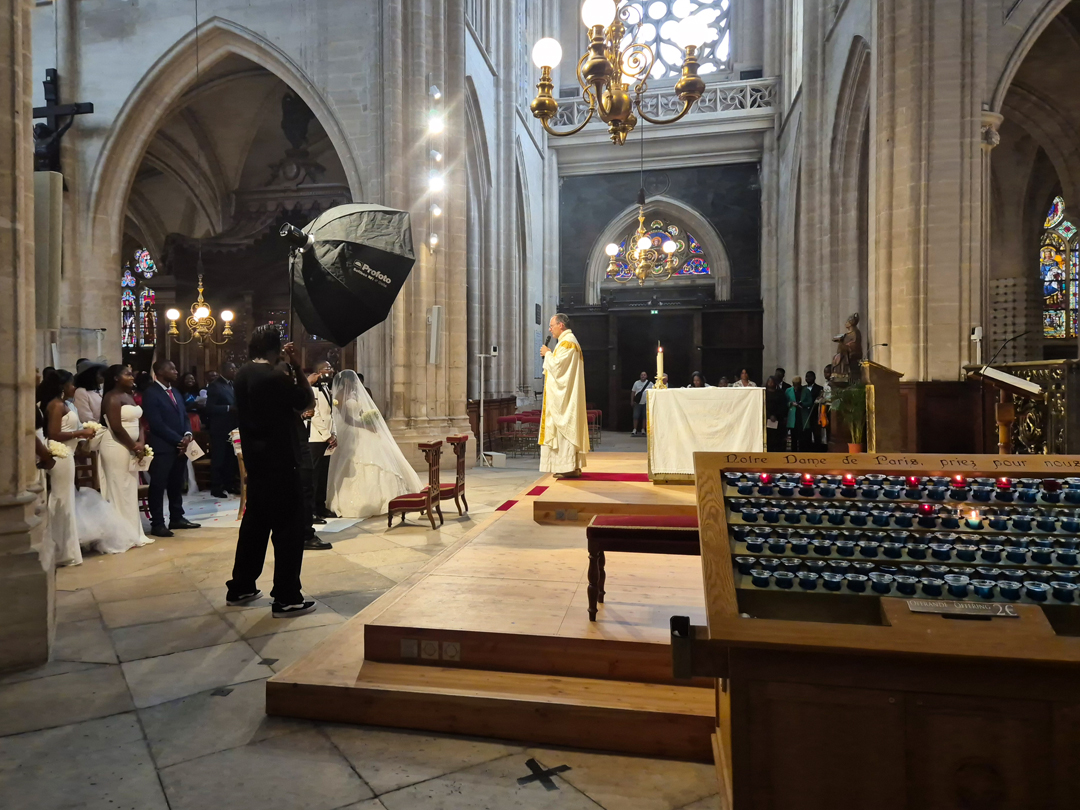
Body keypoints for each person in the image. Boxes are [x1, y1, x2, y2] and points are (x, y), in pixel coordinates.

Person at [227, 326, 317, 617]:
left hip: (257, 463)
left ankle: (241, 586)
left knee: (254, 527)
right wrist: (296, 367)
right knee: (289, 529)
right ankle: (287, 596)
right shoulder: (273, 376)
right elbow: (306, 401)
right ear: (275, 348)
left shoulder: (243, 373)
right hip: (281, 462)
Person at [326, 370, 423, 518]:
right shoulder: (339, 395)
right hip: (350, 431)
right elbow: (345, 418)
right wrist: (363, 426)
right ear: (346, 381)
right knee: (354, 460)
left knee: (379, 455)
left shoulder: (355, 394)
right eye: (352, 381)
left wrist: (368, 420)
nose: (355, 383)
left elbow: (360, 411)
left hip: (360, 426)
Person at [41, 370, 96, 566]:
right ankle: (61, 550)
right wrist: (79, 433)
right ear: (63, 386)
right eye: (72, 384)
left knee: (67, 500)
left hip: (68, 454)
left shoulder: (63, 403)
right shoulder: (56, 405)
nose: (74, 388)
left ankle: (67, 549)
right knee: (61, 499)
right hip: (61, 455)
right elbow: (54, 434)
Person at [141, 360, 200, 537]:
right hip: (163, 445)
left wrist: (187, 434)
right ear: (159, 371)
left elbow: (184, 416)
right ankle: (158, 523)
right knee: (159, 485)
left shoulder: (175, 391)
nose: (176, 371)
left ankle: (177, 517)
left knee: (176, 483)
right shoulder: (151, 393)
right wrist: (179, 440)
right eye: (171, 369)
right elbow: (156, 423)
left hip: (181, 445)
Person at [99, 364, 154, 548]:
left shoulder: (129, 396)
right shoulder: (111, 397)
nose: (132, 377)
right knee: (119, 489)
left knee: (130, 489)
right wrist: (133, 446)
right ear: (116, 378)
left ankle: (134, 532)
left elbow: (139, 422)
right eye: (127, 375)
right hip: (116, 446)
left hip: (132, 447)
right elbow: (116, 427)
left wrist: (141, 442)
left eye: (132, 374)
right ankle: (121, 536)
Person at [538, 313, 589, 479]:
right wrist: (550, 354)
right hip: (566, 395)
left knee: (564, 429)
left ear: (561, 325)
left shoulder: (568, 342)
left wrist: (547, 353)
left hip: (564, 399)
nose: (549, 329)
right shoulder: (566, 342)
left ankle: (567, 467)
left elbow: (558, 368)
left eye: (551, 326)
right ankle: (571, 467)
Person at [305, 361, 337, 520]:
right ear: (318, 372)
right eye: (327, 368)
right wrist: (326, 435)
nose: (331, 371)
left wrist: (334, 433)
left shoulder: (326, 388)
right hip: (316, 438)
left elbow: (331, 414)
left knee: (323, 474)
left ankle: (320, 506)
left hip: (327, 437)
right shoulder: (310, 389)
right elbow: (315, 415)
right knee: (315, 476)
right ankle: (311, 510)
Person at [206, 361, 240, 498]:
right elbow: (209, 408)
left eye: (235, 368)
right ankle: (216, 487)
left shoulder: (233, 384)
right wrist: (228, 408)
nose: (234, 371)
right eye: (232, 369)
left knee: (231, 458)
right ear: (224, 370)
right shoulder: (215, 385)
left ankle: (229, 484)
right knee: (219, 458)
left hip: (232, 427)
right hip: (220, 428)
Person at [785, 376, 815, 452]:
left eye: (797, 384)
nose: (796, 386)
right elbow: (785, 402)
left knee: (802, 437)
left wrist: (802, 404)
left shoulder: (806, 391)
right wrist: (791, 403)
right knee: (793, 436)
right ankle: (793, 452)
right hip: (793, 416)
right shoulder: (788, 391)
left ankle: (802, 452)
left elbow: (810, 402)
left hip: (802, 416)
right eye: (794, 384)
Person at [764, 376, 786, 452]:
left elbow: (783, 406)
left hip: (778, 419)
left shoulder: (780, 393)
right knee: (769, 438)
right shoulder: (764, 393)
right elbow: (763, 405)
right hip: (766, 418)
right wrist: (769, 415)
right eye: (769, 381)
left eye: (772, 382)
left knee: (778, 438)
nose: (770, 383)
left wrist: (776, 415)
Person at [804, 371, 824, 451]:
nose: (808, 378)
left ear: (814, 378)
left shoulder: (819, 388)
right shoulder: (803, 388)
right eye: (807, 376)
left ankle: (817, 451)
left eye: (810, 376)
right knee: (806, 435)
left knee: (816, 434)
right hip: (806, 415)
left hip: (815, 415)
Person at [630, 371, 651, 436]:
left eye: (644, 375)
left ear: (646, 376)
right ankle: (635, 429)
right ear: (640, 376)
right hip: (637, 402)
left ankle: (643, 429)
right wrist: (632, 401)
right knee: (635, 416)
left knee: (645, 416)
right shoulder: (636, 383)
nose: (643, 376)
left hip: (646, 403)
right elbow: (633, 392)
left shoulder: (650, 383)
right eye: (642, 375)